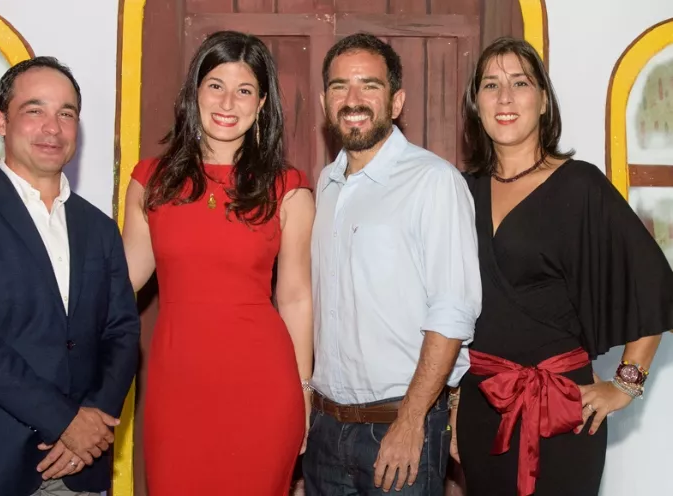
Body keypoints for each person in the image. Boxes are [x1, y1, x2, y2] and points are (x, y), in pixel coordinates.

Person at [453, 37, 672, 496]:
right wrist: (453, 404)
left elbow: (653, 285)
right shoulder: (458, 192)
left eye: (520, 83)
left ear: (543, 100)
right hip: (481, 406)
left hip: (563, 411)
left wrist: (626, 385)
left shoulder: (581, 185)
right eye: (491, 85)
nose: (506, 98)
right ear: (476, 105)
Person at [0, 57, 141, 496]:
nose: (53, 128)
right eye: (34, 110)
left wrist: (94, 420)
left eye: (67, 114)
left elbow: (122, 331)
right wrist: (67, 422)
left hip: (81, 465)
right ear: (1, 121)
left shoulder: (98, 227)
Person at [121, 31, 315, 495]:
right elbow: (122, 281)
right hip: (176, 388)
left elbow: (295, 297)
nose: (229, 101)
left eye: (244, 90)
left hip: (263, 388)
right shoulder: (151, 180)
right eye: (215, 85)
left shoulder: (289, 187)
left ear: (262, 102)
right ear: (194, 92)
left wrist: (305, 394)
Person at [303, 33, 482, 496]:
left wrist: (410, 421)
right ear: (325, 101)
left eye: (370, 86)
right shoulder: (327, 183)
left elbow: (452, 314)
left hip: (399, 427)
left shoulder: (434, 182)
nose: (354, 100)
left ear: (397, 100)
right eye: (340, 86)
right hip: (324, 430)